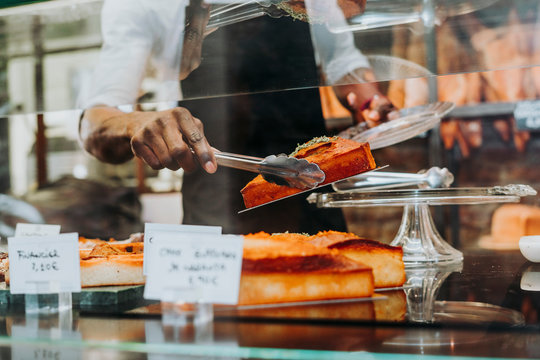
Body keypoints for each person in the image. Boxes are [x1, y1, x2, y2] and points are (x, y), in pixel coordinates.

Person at [78, 0, 396, 234]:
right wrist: (135, 122)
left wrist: (369, 99)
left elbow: (342, 59)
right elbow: (97, 120)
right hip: (218, 209)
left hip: (309, 192)